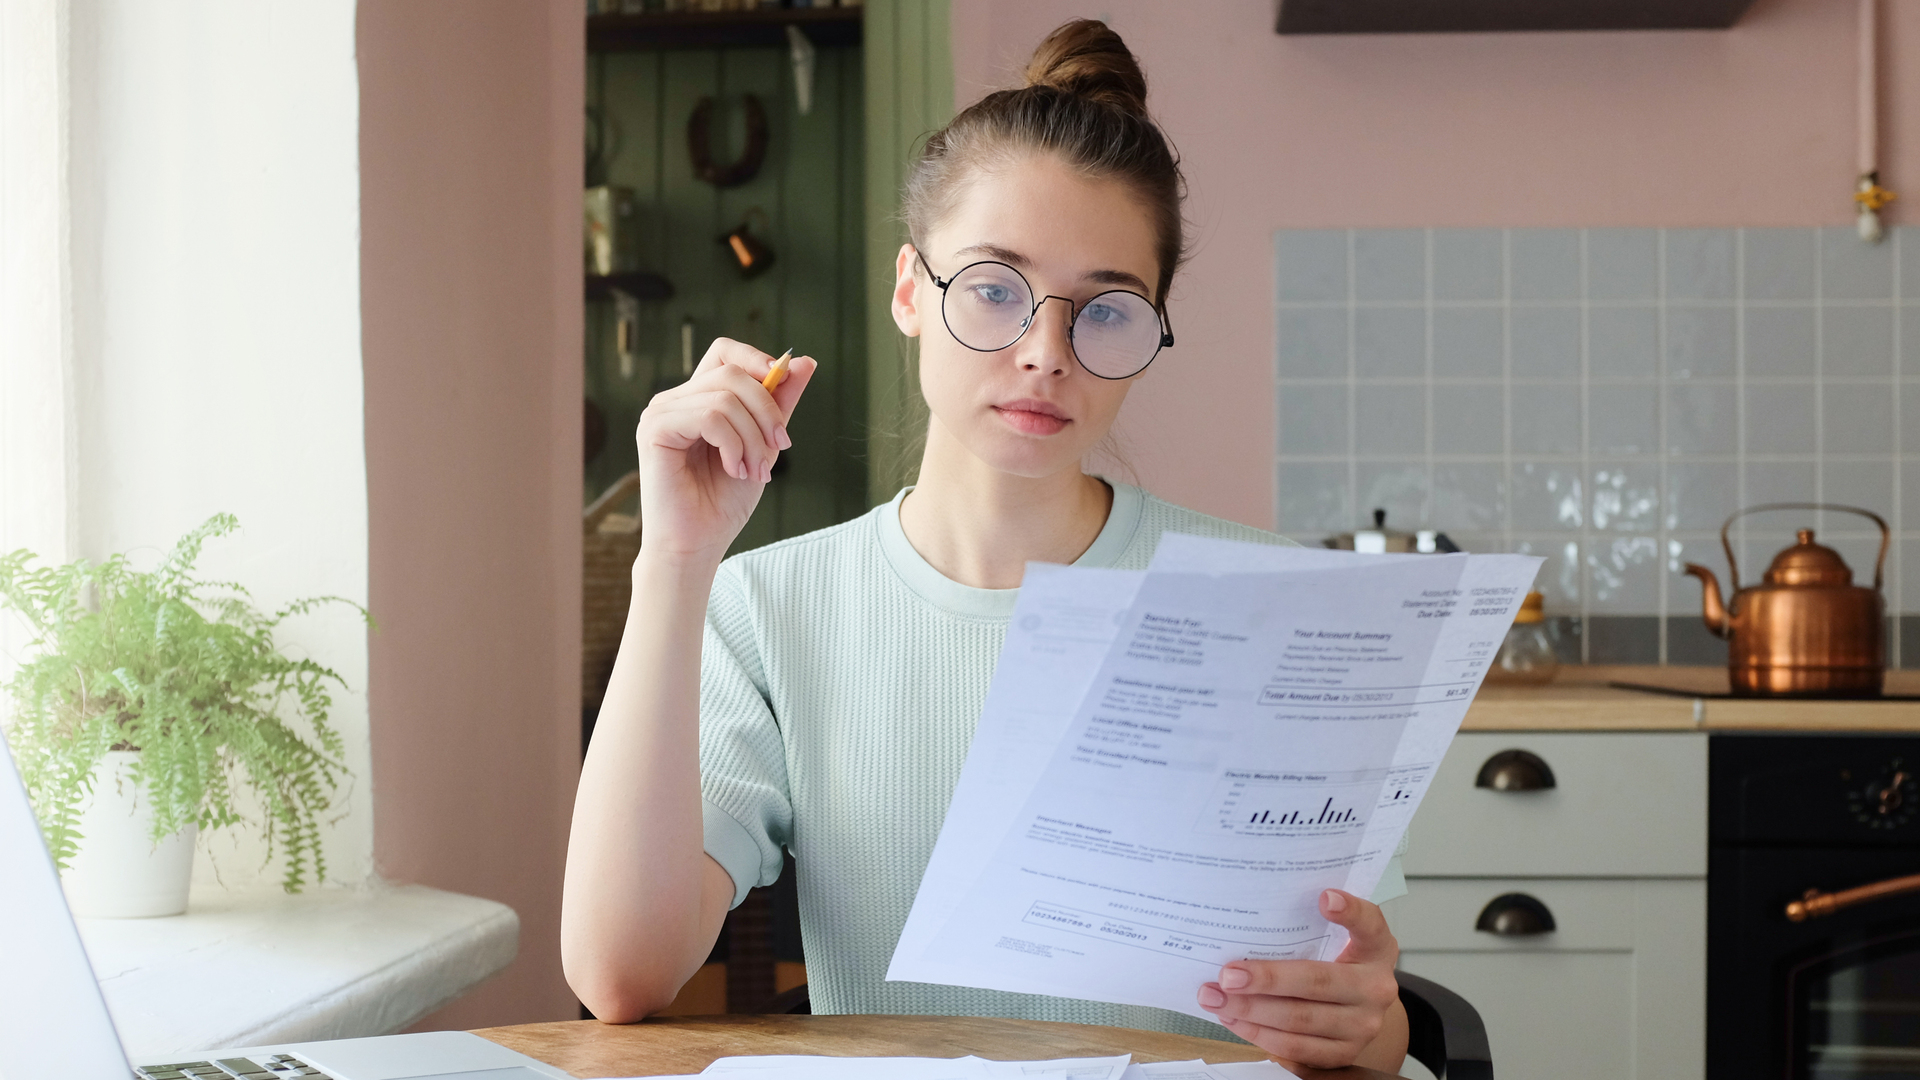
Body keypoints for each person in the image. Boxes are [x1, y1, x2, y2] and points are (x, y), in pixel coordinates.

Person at [562, 19, 1410, 1073]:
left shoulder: (1275, 605)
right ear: (912, 290)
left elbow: (1371, 1034)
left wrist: (1364, 1023)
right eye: (996, 290)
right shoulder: (770, 608)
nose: (1046, 354)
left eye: (1106, 310)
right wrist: (675, 563)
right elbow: (620, 974)